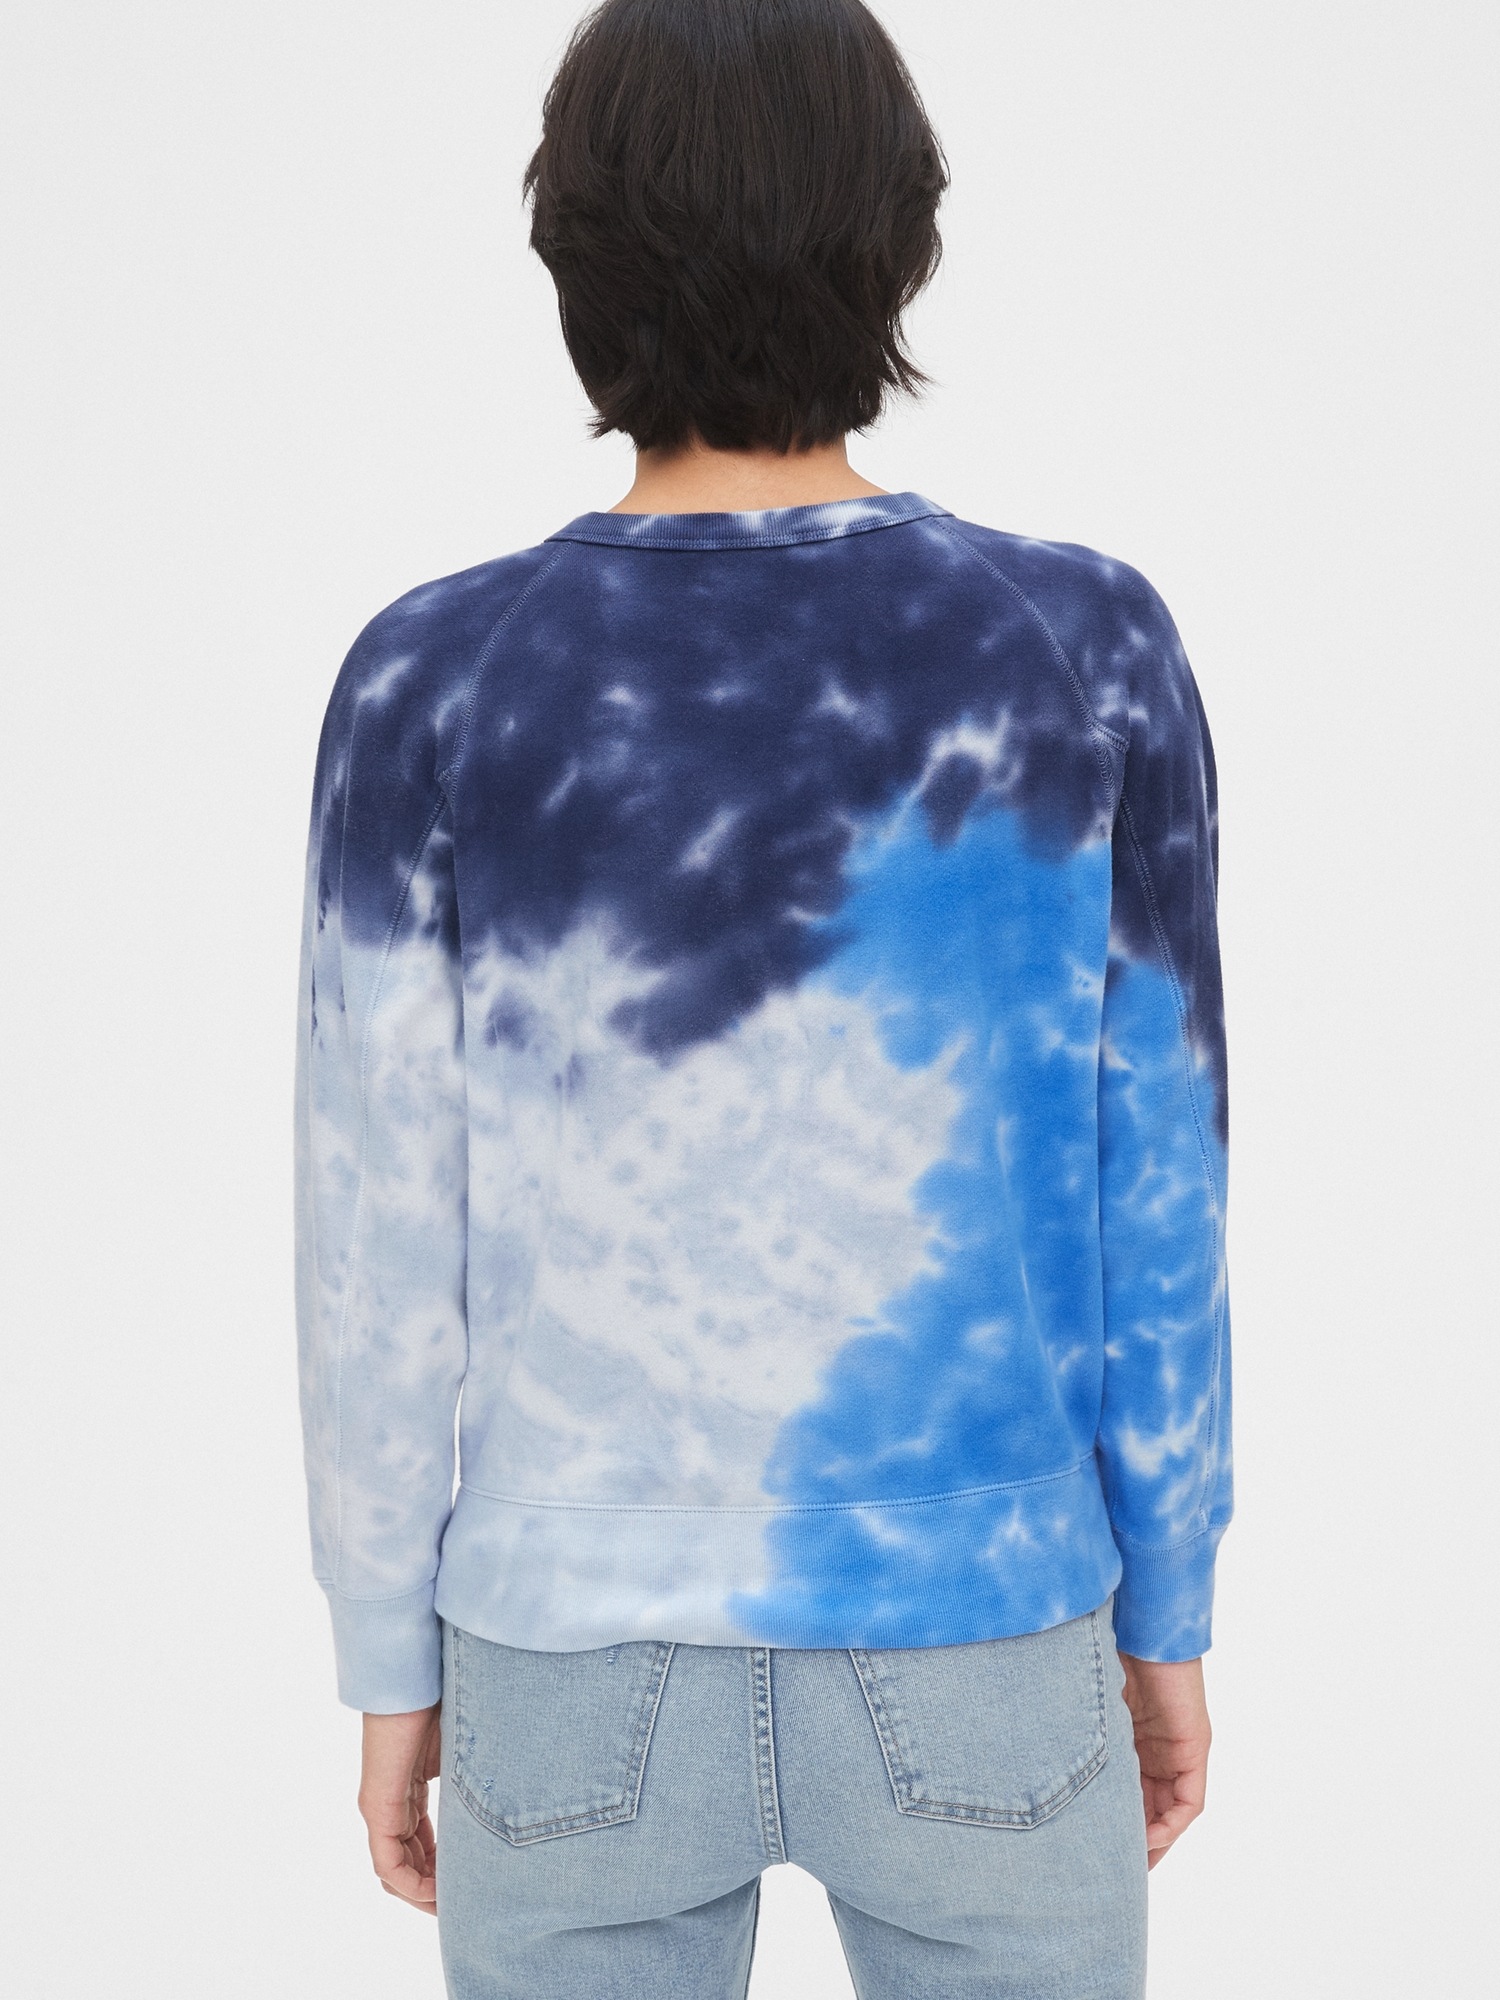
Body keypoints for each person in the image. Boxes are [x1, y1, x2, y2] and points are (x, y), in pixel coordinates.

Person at [293, 1, 1232, 1993]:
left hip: (566, 1652)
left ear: (575, 256)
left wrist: (387, 1657)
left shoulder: (432, 682)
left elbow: (375, 1241)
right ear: (899, 239)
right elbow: (1156, 1185)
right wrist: (1166, 1606)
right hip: (985, 1619)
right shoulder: (1082, 650)